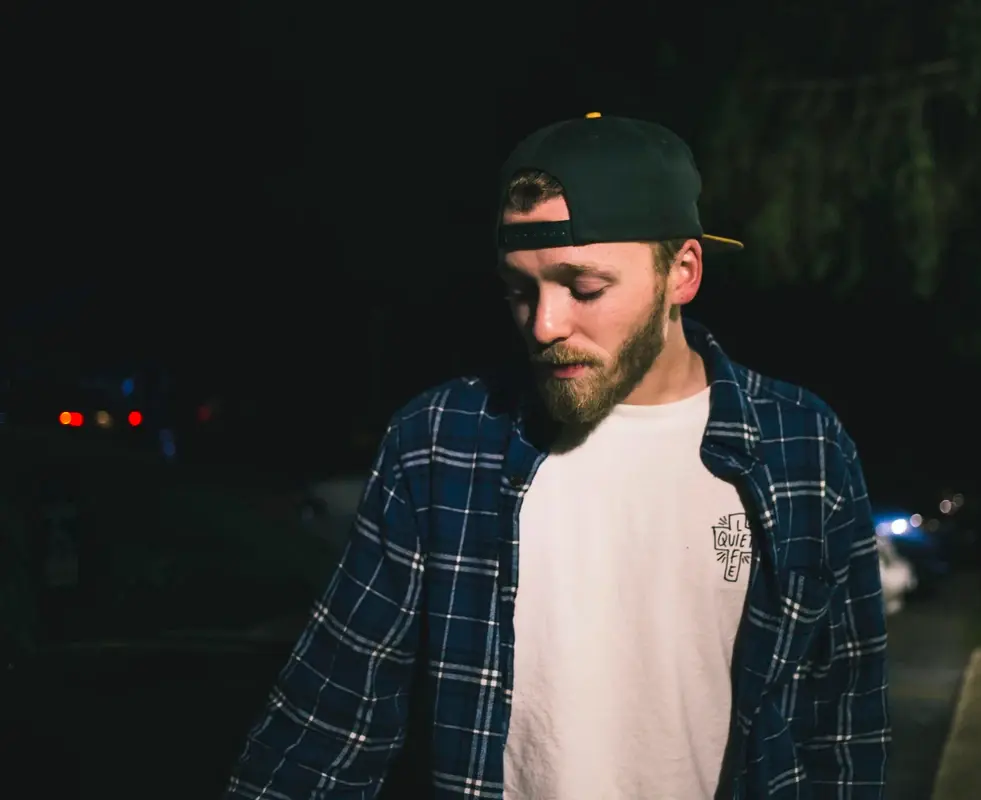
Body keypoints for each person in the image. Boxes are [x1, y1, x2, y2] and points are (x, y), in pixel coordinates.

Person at [226, 113, 890, 799]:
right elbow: (331, 717)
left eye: (585, 288)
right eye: (520, 290)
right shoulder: (443, 441)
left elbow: (843, 722)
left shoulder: (804, 446)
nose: (544, 325)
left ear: (682, 273)